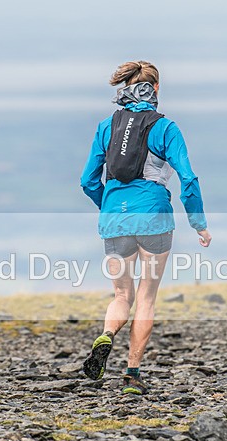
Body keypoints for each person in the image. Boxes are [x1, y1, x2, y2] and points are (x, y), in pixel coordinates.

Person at [80, 60, 212, 395]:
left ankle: (107, 334)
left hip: (114, 219)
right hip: (153, 217)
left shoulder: (106, 127)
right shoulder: (166, 128)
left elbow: (87, 181)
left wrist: (110, 210)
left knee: (121, 295)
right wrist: (199, 224)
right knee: (147, 298)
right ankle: (131, 374)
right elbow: (188, 179)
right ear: (154, 90)